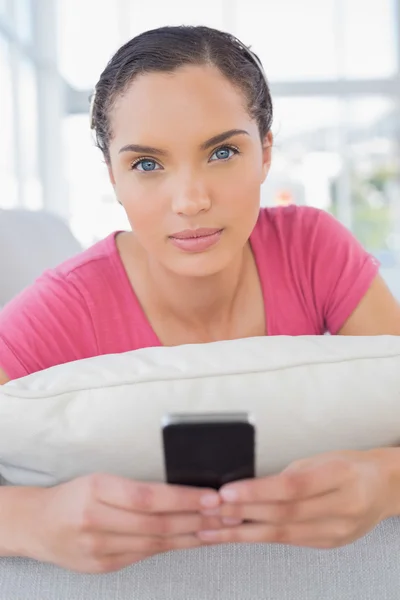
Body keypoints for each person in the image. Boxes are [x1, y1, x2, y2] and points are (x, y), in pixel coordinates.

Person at [0, 25, 399, 575]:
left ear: (265, 153)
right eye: (146, 164)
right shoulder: (63, 306)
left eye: (223, 152)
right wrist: (31, 519)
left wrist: (385, 481)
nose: (190, 200)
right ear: (113, 177)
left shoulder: (312, 246)